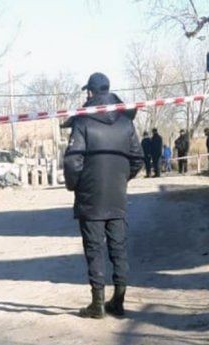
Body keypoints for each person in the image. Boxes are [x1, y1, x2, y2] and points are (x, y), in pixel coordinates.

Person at [64, 72, 143, 319]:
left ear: (90, 92)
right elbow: (137, 158)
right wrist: (121, 179)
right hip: (117, 196)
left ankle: (97, 304)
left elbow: (72, 160)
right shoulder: (125, 121)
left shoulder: (83, 120)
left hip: (90, 198)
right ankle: (118, 300)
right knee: (118, 248)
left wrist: (75, 185)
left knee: (94, 249)